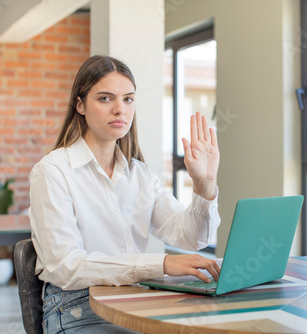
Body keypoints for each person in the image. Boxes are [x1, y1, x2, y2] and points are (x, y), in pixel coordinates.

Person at [28, 55, 221, 334]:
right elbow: (65, 267)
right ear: (80, 105)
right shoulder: (53, 170)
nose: (120, 109)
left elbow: (192, 237)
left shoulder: (140, 173)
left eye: (128, 99)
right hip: (77, 306)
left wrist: (205, 184)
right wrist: (162, 264)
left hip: (135, 299)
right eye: (105, 99)